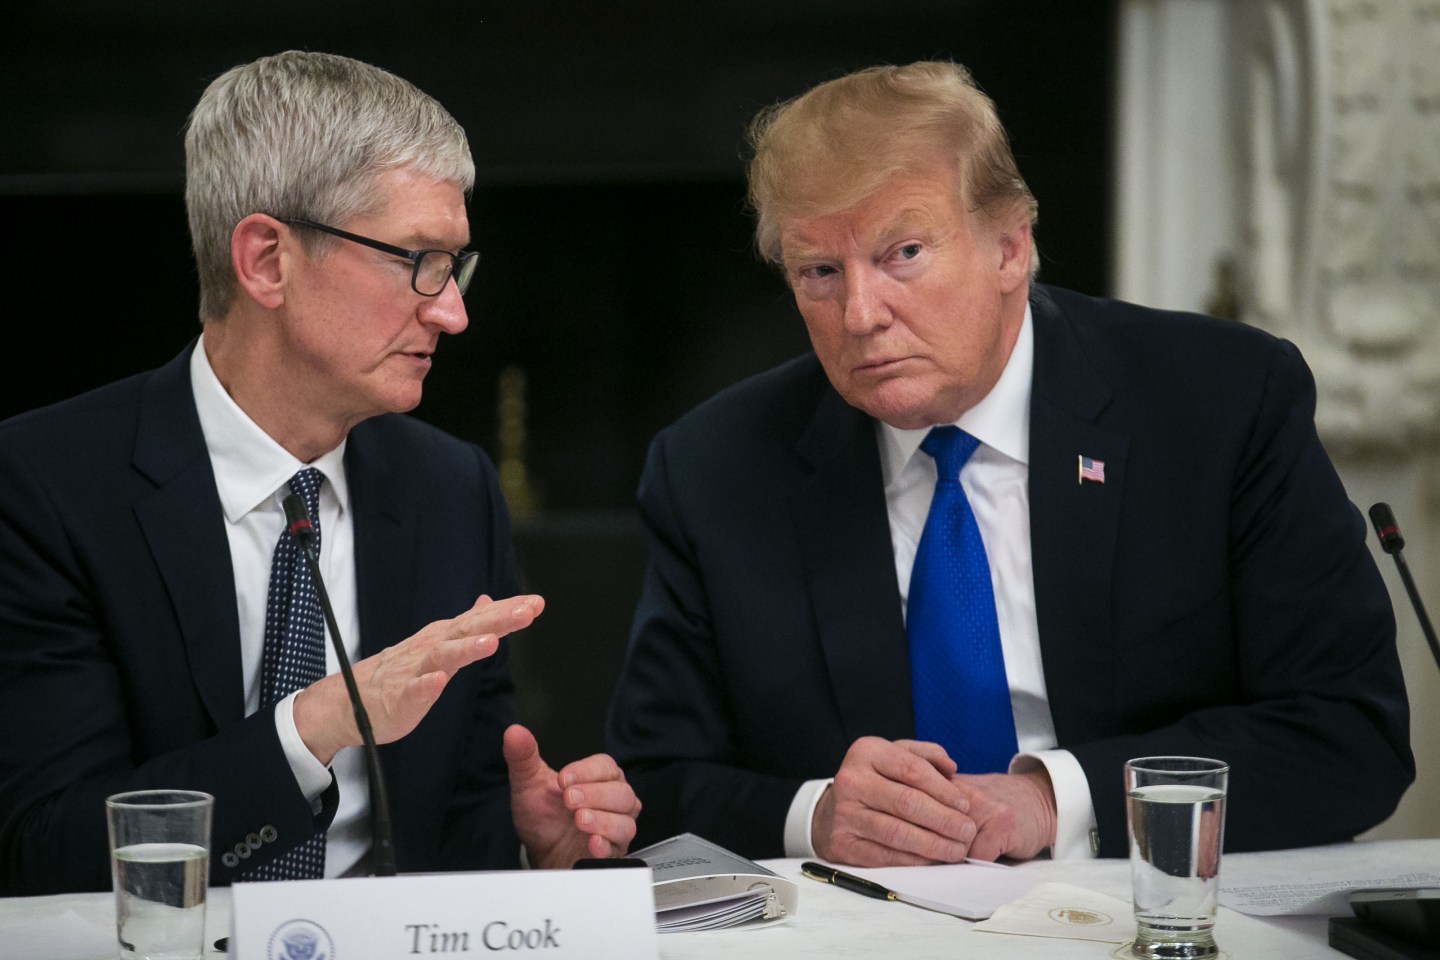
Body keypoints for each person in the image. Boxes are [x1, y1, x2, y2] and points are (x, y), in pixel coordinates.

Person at [605, 61, 1413, 866]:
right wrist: (814, 816)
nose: (859, 314)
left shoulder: (1219, 404)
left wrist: (1053, 800)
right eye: (819, 272)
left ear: (1010, 249)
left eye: (904, 253)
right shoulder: (716, 466)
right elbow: (648, 784)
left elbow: (1350, 733)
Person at [0, 51, 638, 896]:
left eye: (455, 266)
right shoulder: (44, 486)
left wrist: (535, 858)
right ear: (266, 260)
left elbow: (457, 823)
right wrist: (315, 726)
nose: (452, 311)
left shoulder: (450, 489)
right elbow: (42, 850)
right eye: (418, 259)